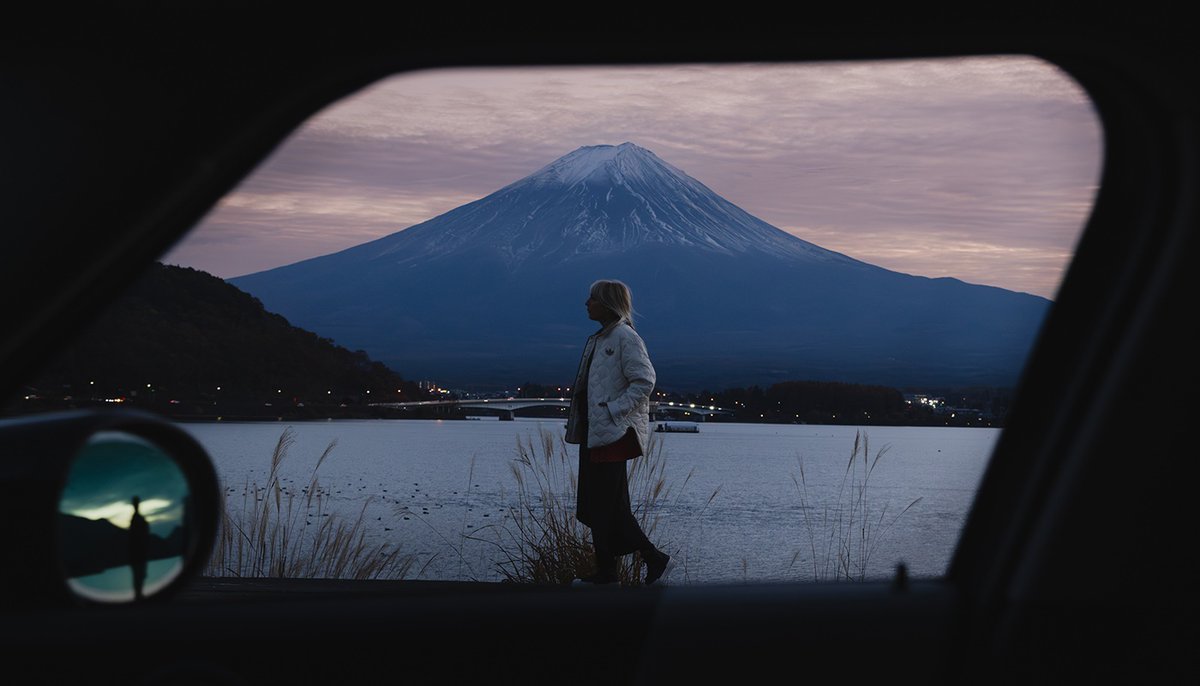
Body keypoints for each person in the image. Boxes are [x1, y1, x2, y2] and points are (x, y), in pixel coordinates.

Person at [565, 279, 671, 585]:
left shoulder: (625, 337)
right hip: (594, 432)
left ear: (607, 303)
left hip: (613, 434)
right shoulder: (600, 338)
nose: (586, 303)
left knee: (606, 505)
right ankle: (609, 571)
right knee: (596, 504)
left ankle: (651, 558)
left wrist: (614, 410)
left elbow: (644, 380)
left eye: (592, 298)